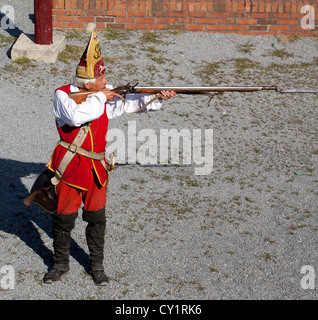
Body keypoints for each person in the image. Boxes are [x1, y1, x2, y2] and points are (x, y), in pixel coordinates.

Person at [43, 27, 175, 285]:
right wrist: (101, 97)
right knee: (64, 218)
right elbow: (76, 116)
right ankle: (59, 265)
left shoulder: (100, 94)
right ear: (87, 83)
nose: (106, 82)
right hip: (69, 166)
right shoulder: (63, 95)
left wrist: (157, 97)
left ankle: (97, 267)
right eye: (101, 80)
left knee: (97, 218)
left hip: (96, 168)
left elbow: (130, 104)